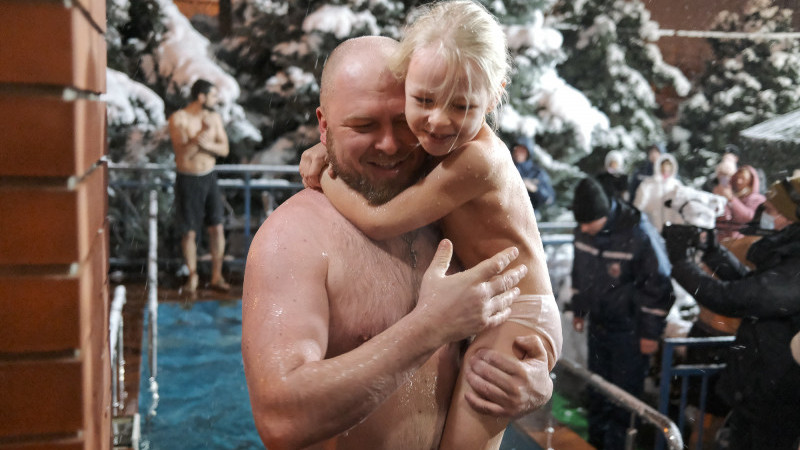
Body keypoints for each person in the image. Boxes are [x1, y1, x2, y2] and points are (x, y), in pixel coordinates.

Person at [243, 36, 556, 450]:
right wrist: (429, 328)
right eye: (363, 126)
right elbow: (280, 418)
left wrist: (533, 385)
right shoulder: (293, 238)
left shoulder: (448, 216)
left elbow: (520, 319)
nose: (389, 145)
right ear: (324, 125)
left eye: (403, 123)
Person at [663, 174, 800, 450]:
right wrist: (713, 250)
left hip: (777, 395)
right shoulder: (788, 252)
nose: (765, 216)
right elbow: (749, 284)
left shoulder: (795, 267)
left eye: (771, 210)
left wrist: (680, 263)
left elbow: (733, 299)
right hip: (760, 385)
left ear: (791, 216)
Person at [569, 177, 674, 449]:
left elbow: (658, 285)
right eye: (580, 223)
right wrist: (580, 309)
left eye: (588, 223)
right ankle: (595, 444)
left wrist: (650, 333)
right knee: (598, 391)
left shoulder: (638, 233)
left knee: (623, 400)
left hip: (630, 332)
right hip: (599, 326)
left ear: (604, 214)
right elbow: (580, 273)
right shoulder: (584, 230)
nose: (583, 228)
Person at [168, 79, 230, 294]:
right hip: (188, 178)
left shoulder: (214, 118)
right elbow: (183, 153)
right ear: (201, 97)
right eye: (213, 96)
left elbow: (224, 149)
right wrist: (200, 135)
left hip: (209, 177)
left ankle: (216, 275)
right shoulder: (179, 118)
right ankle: (192, 276)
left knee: (217, 227)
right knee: (189, 232)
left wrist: (207, 144)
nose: (215, 100)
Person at [633, 152, 683, 232]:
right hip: (652, 225)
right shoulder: (649, 183)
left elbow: (681, 207)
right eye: (663, 166)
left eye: (668, 166)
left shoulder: (676, 185)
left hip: (671, 227)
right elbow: (639, 204)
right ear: (659, 167)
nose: (666, 169)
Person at [713, 165, 765, 240]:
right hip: (720, 237)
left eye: (743, 179)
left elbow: (748, 217)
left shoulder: (757, 199)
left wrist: (732, 200)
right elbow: (720, 217)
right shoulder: (729, 194)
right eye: (737, 178)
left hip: (742, 239)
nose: (739, 181)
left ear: (750, 181)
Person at [511, 135, 555, 218]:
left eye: (522, 150)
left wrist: (534, 188)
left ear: (528, 153)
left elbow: (549, 198)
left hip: (529, 216)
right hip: (507, 214)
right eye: (516, 149)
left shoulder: (537, 173)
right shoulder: (507, 169)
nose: (518, 153)